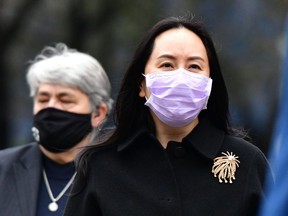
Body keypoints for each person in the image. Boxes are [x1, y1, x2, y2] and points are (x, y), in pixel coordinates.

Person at [64, 15, 271, 216]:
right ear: (142, 84)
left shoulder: (247, 162)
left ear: (209, 85)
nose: (181, 76)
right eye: (167, 65)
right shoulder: (101, 161)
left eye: (194, 66)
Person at [0, 43, 113, 216]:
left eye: (66, 100)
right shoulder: (4, 168)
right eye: (43, 99)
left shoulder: (118, 174)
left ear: (98, 113)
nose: (51, 107)